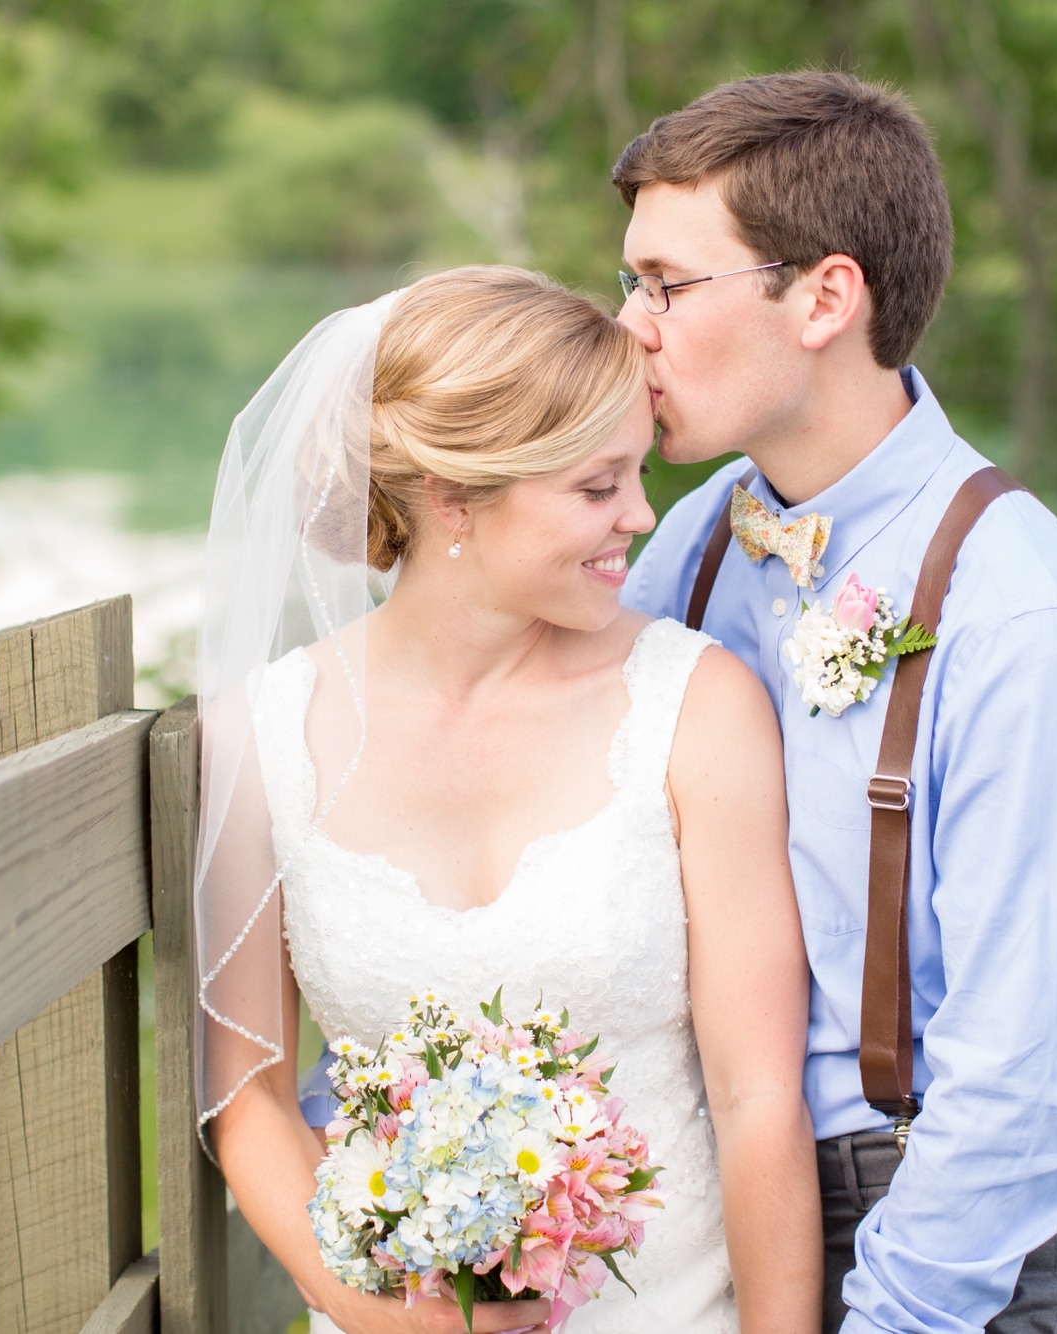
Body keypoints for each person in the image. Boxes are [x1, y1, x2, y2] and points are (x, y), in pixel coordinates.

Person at [612, 72, 1057, 1334]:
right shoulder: (692, 536)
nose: (629, 326)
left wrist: (897, 1313)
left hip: (958, 1222)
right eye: (629, 283)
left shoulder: (1022, 623)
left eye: (665, 285)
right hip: (728, 1190)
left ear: (823, 295)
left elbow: (1022, 1082)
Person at [193, 266, 822, 1334]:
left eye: (634, 474)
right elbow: (245, 1091)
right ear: (452, 498)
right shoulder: (259, 737)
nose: (639, 514)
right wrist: (384, 1313)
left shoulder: (695, 704)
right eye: (596, 486)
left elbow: (759, 1096)